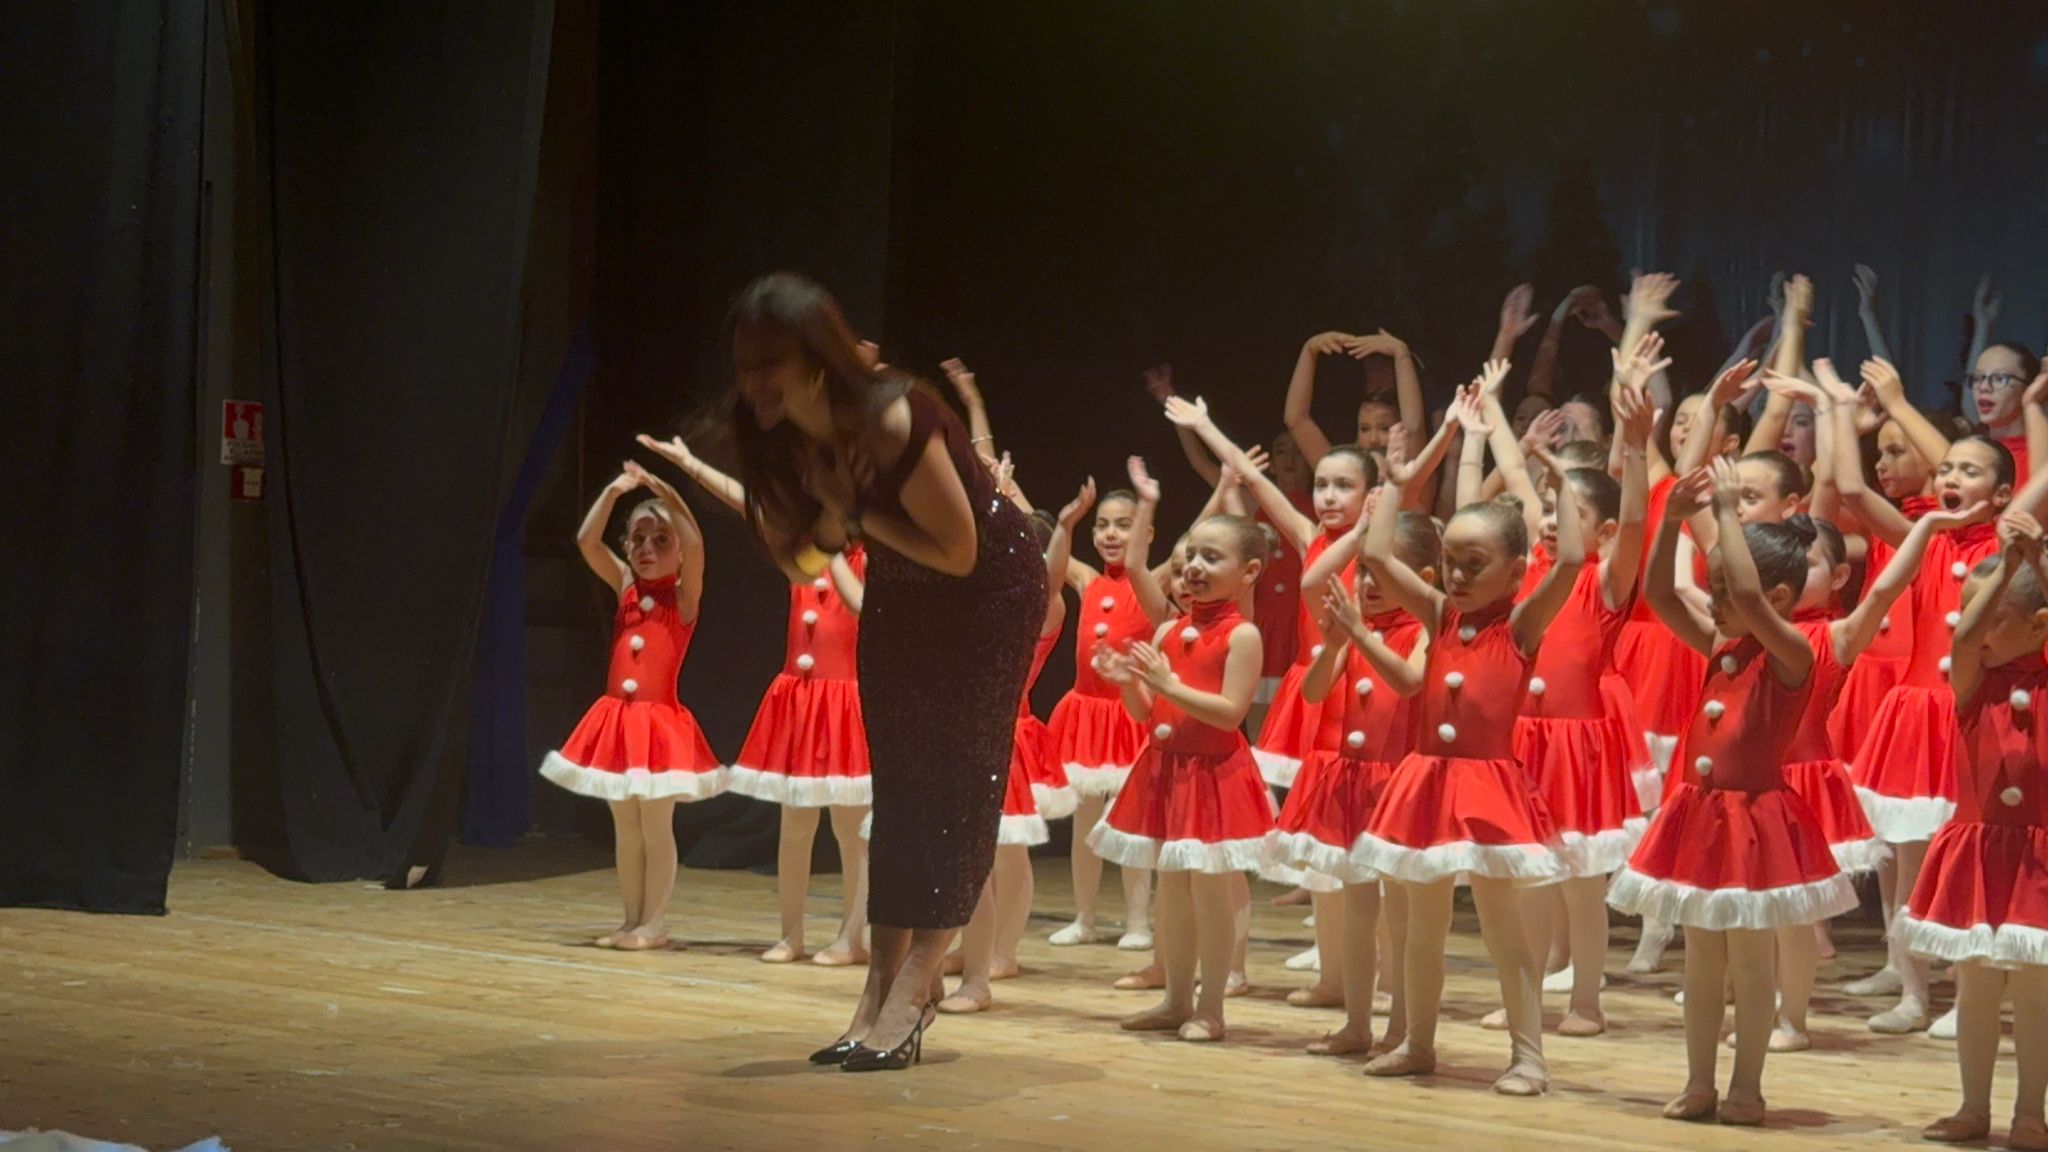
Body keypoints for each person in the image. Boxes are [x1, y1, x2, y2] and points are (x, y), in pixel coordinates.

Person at [723, 272, 1044, 1073]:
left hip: (988, 592)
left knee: (956, 782)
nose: (755, 383)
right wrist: (832, 524)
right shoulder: (777, 434)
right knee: (900, 786)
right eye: (746, 365)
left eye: (770, 364)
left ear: (815, 361)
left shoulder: (895, 416)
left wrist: (852, 514)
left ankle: (915, 987)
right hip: (904, 585)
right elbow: (801, 562)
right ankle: (875, 993)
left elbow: (961, 552)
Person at [1608, 462, 1858, 1127]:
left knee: (1750, 962)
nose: (1715, 600)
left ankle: (1747, 1085)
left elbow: (1744, 594)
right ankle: (1699, 1082)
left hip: (1752, 820)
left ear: (1778, 596)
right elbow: (1660, 594)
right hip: (1700, 815)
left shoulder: (1792, 653)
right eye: (1714, 588)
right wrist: (1669, 524)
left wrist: (1723, 511)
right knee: (1701, 961)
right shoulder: (1723, 643)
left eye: (1722, 588)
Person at [1350, 367, 1577, 1097]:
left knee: (1505, 932)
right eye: (1451, 562)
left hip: (1487, 786)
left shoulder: (1521, 625)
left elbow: (1574, 559)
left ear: (1515, 572)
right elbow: (1377, 555)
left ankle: (1529, 1057)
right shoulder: (1441, 614)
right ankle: (1417, 1043)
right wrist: (1396, 484)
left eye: (1475, 565)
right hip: (1426, 781)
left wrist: (1559, 480)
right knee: (1421, 927)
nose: (1456, 576)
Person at [637, 434, 872, 966]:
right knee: (794, 825)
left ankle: (852, 938)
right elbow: (747, 503)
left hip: (844, 703)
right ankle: (791, 935)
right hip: (798, 700)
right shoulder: (801, 551)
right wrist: (689, 463)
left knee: (849, 827)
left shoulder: (867, 558)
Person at [1089, 514, 1274, 1042]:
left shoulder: (1243, 635)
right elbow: (1147, 713)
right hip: (1166, 770)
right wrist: (1128, 683)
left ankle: (1211, 1008)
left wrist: (1167, 684)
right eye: (1192, 555)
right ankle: (1175, 1000)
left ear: (1249, 572)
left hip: (1213, 776)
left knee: (1211, 896)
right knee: (1170, 892)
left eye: (1212, 558)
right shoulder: (1169, 630)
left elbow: (1230, 713)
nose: (1194, 566)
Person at [1897, 512, 2048, 1151]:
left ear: (2039, 626)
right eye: (1970, 613)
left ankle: (2031, 1112)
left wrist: (2034, 565)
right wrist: (2008, 568)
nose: (1976, 630)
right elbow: (1962, 639)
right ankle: (1973, 1105)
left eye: (1996, 618)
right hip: (1980, 848)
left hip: (2038, 858)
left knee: (2036, 993)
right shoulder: (1973, 680)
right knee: (1977, 986)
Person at [540, 461, 725, 952]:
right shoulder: (625, 585)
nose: (647, 549)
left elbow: (698, 545)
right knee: (625, 826)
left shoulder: (683, 598)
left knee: (655, 826)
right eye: (638, 539)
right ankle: (630, 920)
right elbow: (587, 541)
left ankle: (654, 923)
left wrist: (668, 492)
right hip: (618, 723)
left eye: (661, 540)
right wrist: (614, 490)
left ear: (679, 553)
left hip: (658, 726)